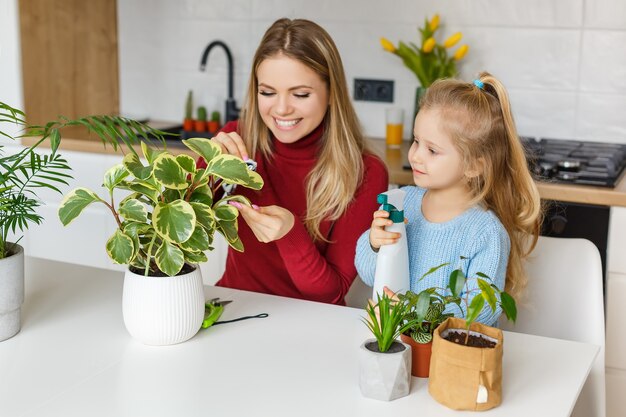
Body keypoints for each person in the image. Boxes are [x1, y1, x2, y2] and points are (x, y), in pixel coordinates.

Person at [198, 18, 388, 305]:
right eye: (268, 92)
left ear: (331, 94)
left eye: (300, 94)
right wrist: (206, 169)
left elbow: (332, 292)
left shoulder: (366, 172)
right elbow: (173, 228)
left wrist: (290, 235)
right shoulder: (236, 141)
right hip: (235, 305)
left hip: (312, 322)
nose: (282, 109)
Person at [355, 72, 542, 325]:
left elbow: (482, 311)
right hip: (397, 341)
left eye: (432, 150)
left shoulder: (484, 232)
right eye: (416, 141)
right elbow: (369, 274)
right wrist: (375, 244)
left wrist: (415, 314)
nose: (416, 156)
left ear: (474, 166)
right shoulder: (404, 201)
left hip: (449, 355)